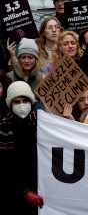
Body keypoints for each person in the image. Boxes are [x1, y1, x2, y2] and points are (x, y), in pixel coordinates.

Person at [0, 82, 42, 214]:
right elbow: (5, 167)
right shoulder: (4, 127)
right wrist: (25, 191)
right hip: (15, 192)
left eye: (25, 100)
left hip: (40, 184)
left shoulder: (40, 121)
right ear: (10, 104)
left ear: (31, 102)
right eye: (17, 102)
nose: (22, 105)